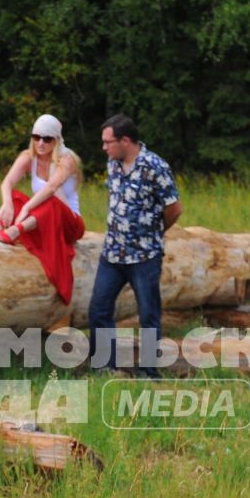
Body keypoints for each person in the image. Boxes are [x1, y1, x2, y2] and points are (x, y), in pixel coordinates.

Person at [88, 114, 181, 378]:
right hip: (113, 253)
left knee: (149, 314)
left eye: (108, 142)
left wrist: (153, 231)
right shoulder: (113, 164)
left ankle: (149, 372)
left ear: (125, 140)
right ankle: (106, 368)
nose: (104, 147)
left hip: (144, 255)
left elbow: (174, 208)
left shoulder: (155, 166)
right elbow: (113, 195)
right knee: (99, 309)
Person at [0, 112, 87, 303]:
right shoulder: (28, 157)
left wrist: (25, 209)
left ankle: (16, 230)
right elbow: (6, 183)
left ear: (56, 140)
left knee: (51, 201)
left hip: (70, 224)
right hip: (43, 218)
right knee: (14, 196)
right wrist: (7, 203)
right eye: (36, 137)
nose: (40, 143)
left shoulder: (67, 160)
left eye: (47, 139)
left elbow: (51, 188)